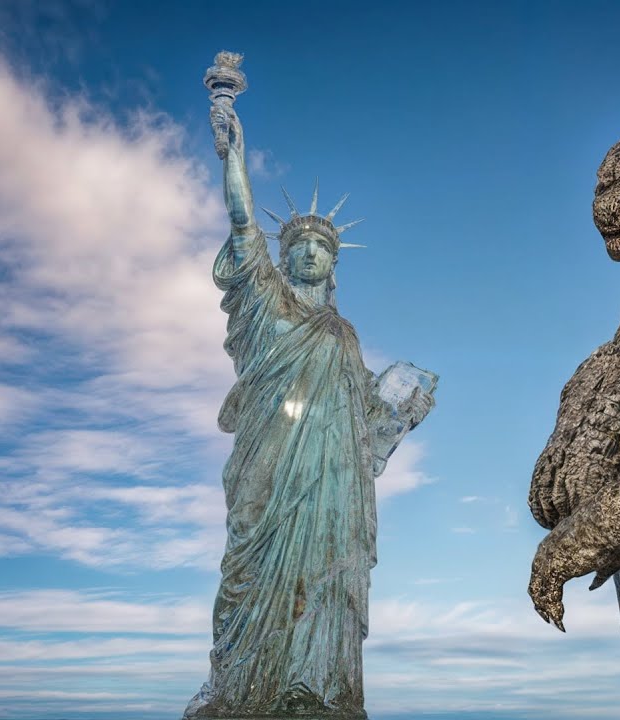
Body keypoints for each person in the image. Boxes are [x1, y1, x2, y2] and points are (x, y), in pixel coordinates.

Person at [186, 103, 434, 719]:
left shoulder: (344, 336)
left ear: (334, 264)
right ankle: (240, 694)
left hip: (331, 479)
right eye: (298, 245)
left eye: (322, 248)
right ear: (285, 255)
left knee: (326, 579)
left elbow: (363, 418)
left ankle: (313, 691)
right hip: (270, 466)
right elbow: (244, 224)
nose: (309, 254)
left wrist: (401, 412)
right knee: (249, 575)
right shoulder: (266, 305)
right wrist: (233, 155)